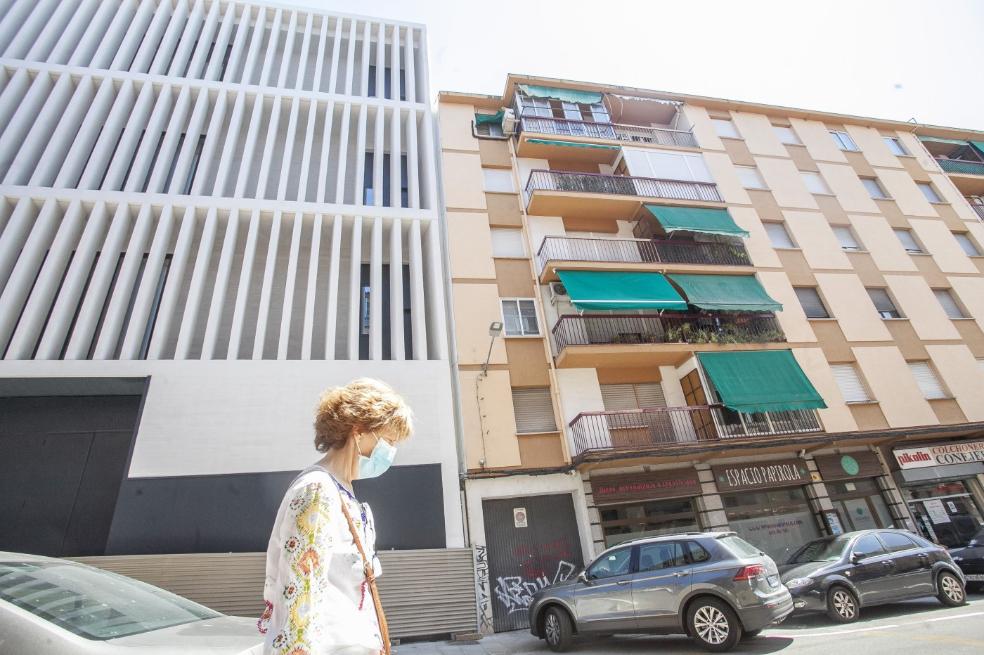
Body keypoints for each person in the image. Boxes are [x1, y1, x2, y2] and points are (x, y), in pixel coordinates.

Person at [259, 378, 413, 655]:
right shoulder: (317, 490)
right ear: (358, 430)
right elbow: (299, 602)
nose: (391, 452)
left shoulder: (342, 492)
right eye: (389, 440)